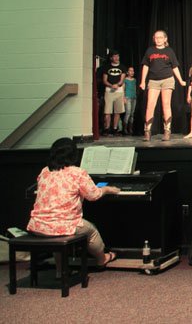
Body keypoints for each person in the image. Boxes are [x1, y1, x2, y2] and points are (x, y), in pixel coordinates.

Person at [27, 138, 120, 267]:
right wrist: (106, 189)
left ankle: (60, 270)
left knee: (56, 232)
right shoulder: (77, 173)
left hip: (38, 225)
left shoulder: (45, 171)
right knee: (91, 230)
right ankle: (102, 259)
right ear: (74, 155)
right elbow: (93, 195)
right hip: (64, 226)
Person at [139, 30, 187, 141]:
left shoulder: (169, 51)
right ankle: (147, 131)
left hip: (167, 79)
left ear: (165, 39)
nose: (158, 39)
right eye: (156, 37)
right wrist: (142, 81)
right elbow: (145, 66)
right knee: (150, 105)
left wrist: (180, 80)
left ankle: (167, 131)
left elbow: (174, 66)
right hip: (153, 81)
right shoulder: (150, 50)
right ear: (154, 39)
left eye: (161, 37)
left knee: (166, 104)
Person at [101, 50, 126, 136]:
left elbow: (122, 79)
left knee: (117, 111)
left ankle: (115, 128)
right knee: (107, 112)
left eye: (117, 56)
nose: (116, 58)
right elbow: (104, 80)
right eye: (114, 56)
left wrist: (117, 84)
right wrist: (111, 85)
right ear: (111, 58)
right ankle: (107, 128)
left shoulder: (122, 67)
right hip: (109, 91)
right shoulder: (107, 67)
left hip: (119, 91)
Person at [122, 66, 137, 135]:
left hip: (133, 97)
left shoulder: (134, 80)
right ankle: (125, 129)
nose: (132, 72)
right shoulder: (125, 80)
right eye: (130, 71)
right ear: (127, 72)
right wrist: (124, 97)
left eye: (133, 71)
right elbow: (123, 89)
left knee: (132, 114)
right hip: (127, 97)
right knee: (128, 113)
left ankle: (130, 129)